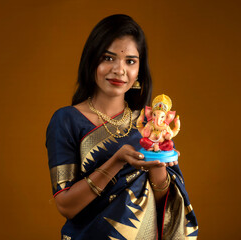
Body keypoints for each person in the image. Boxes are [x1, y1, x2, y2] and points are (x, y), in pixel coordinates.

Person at [46, 14, 198, 240]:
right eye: (108, 58)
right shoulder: (66, 120)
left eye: (130, 61)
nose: (119, 70)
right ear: (92, 61)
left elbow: (164, 208)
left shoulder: (148, 125)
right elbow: (66, 206)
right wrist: (117, 160)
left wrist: (158, 163)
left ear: (139, 70)